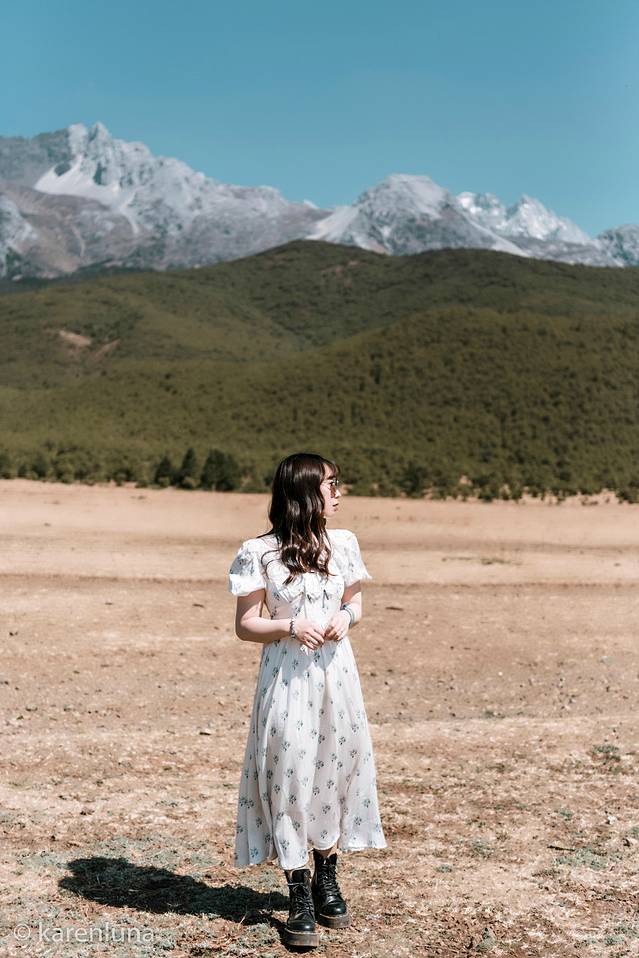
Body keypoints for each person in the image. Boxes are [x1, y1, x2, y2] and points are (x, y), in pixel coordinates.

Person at [228, 452, 387, 948]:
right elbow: (245, 625)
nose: (338, 492)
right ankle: (297, 889)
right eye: (330, 484)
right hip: (287, 679)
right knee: (290, 773)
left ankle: (327, 876)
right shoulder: (259, 552)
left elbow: (355, 602)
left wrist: (346, 618)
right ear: (303, 492)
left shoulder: (344, 544)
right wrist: (290, 625)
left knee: (335, 768)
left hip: (337, 677)